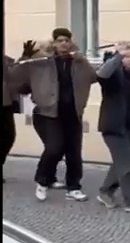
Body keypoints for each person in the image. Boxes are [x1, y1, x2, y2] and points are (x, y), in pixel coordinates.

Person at [6, 28, 97, 202]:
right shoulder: (41, 61)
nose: (64, 43)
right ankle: (42, 181)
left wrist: (83, 61)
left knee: (74, 152)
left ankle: (74, 187)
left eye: (67, 40)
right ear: (54, 43)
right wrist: (25, 58)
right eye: (60, 40)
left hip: (72, 114)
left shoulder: (77, 62)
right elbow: (14, 77)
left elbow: (93, 77)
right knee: (54, 148)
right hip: (46, 114)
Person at [95, 43, 130, 215]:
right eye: (126, 57)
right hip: (114, 127)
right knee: (127, 164)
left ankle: (105, 191)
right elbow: (102, 73)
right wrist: (117, 55)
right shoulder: (113, 76)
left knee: (122, 162)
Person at [2, 54, 23, 183]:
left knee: (9, 136)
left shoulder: (7, 60)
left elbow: (15, 76)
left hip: (6, 103)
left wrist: (25, 57)